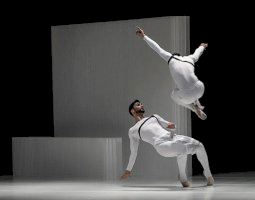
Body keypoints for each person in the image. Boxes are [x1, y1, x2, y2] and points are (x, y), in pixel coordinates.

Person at [120, 99, 214, 187]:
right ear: (132, 111)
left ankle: (207, 174)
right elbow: (134, 152)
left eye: (141, 103)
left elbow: (168, 124)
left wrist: (171, 126)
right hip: (161, 145)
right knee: (182, 149)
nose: (141, 105)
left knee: (199, 145)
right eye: (138, 104)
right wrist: (128, 170)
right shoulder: (133, 130)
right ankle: (183, 177)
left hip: (172, 137)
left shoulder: (154, 117)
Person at [136, 27, 208, 120]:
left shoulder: (170, 59)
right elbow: (198, 52)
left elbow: (157, 48)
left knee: (174, 94)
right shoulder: (190, 59)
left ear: (173, 56)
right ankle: (197, 103)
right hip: (200, 88)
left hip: (187, 96)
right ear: (180, 56)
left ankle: (194, 109)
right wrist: (202, 46)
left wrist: (144, 36)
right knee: (189, 83)